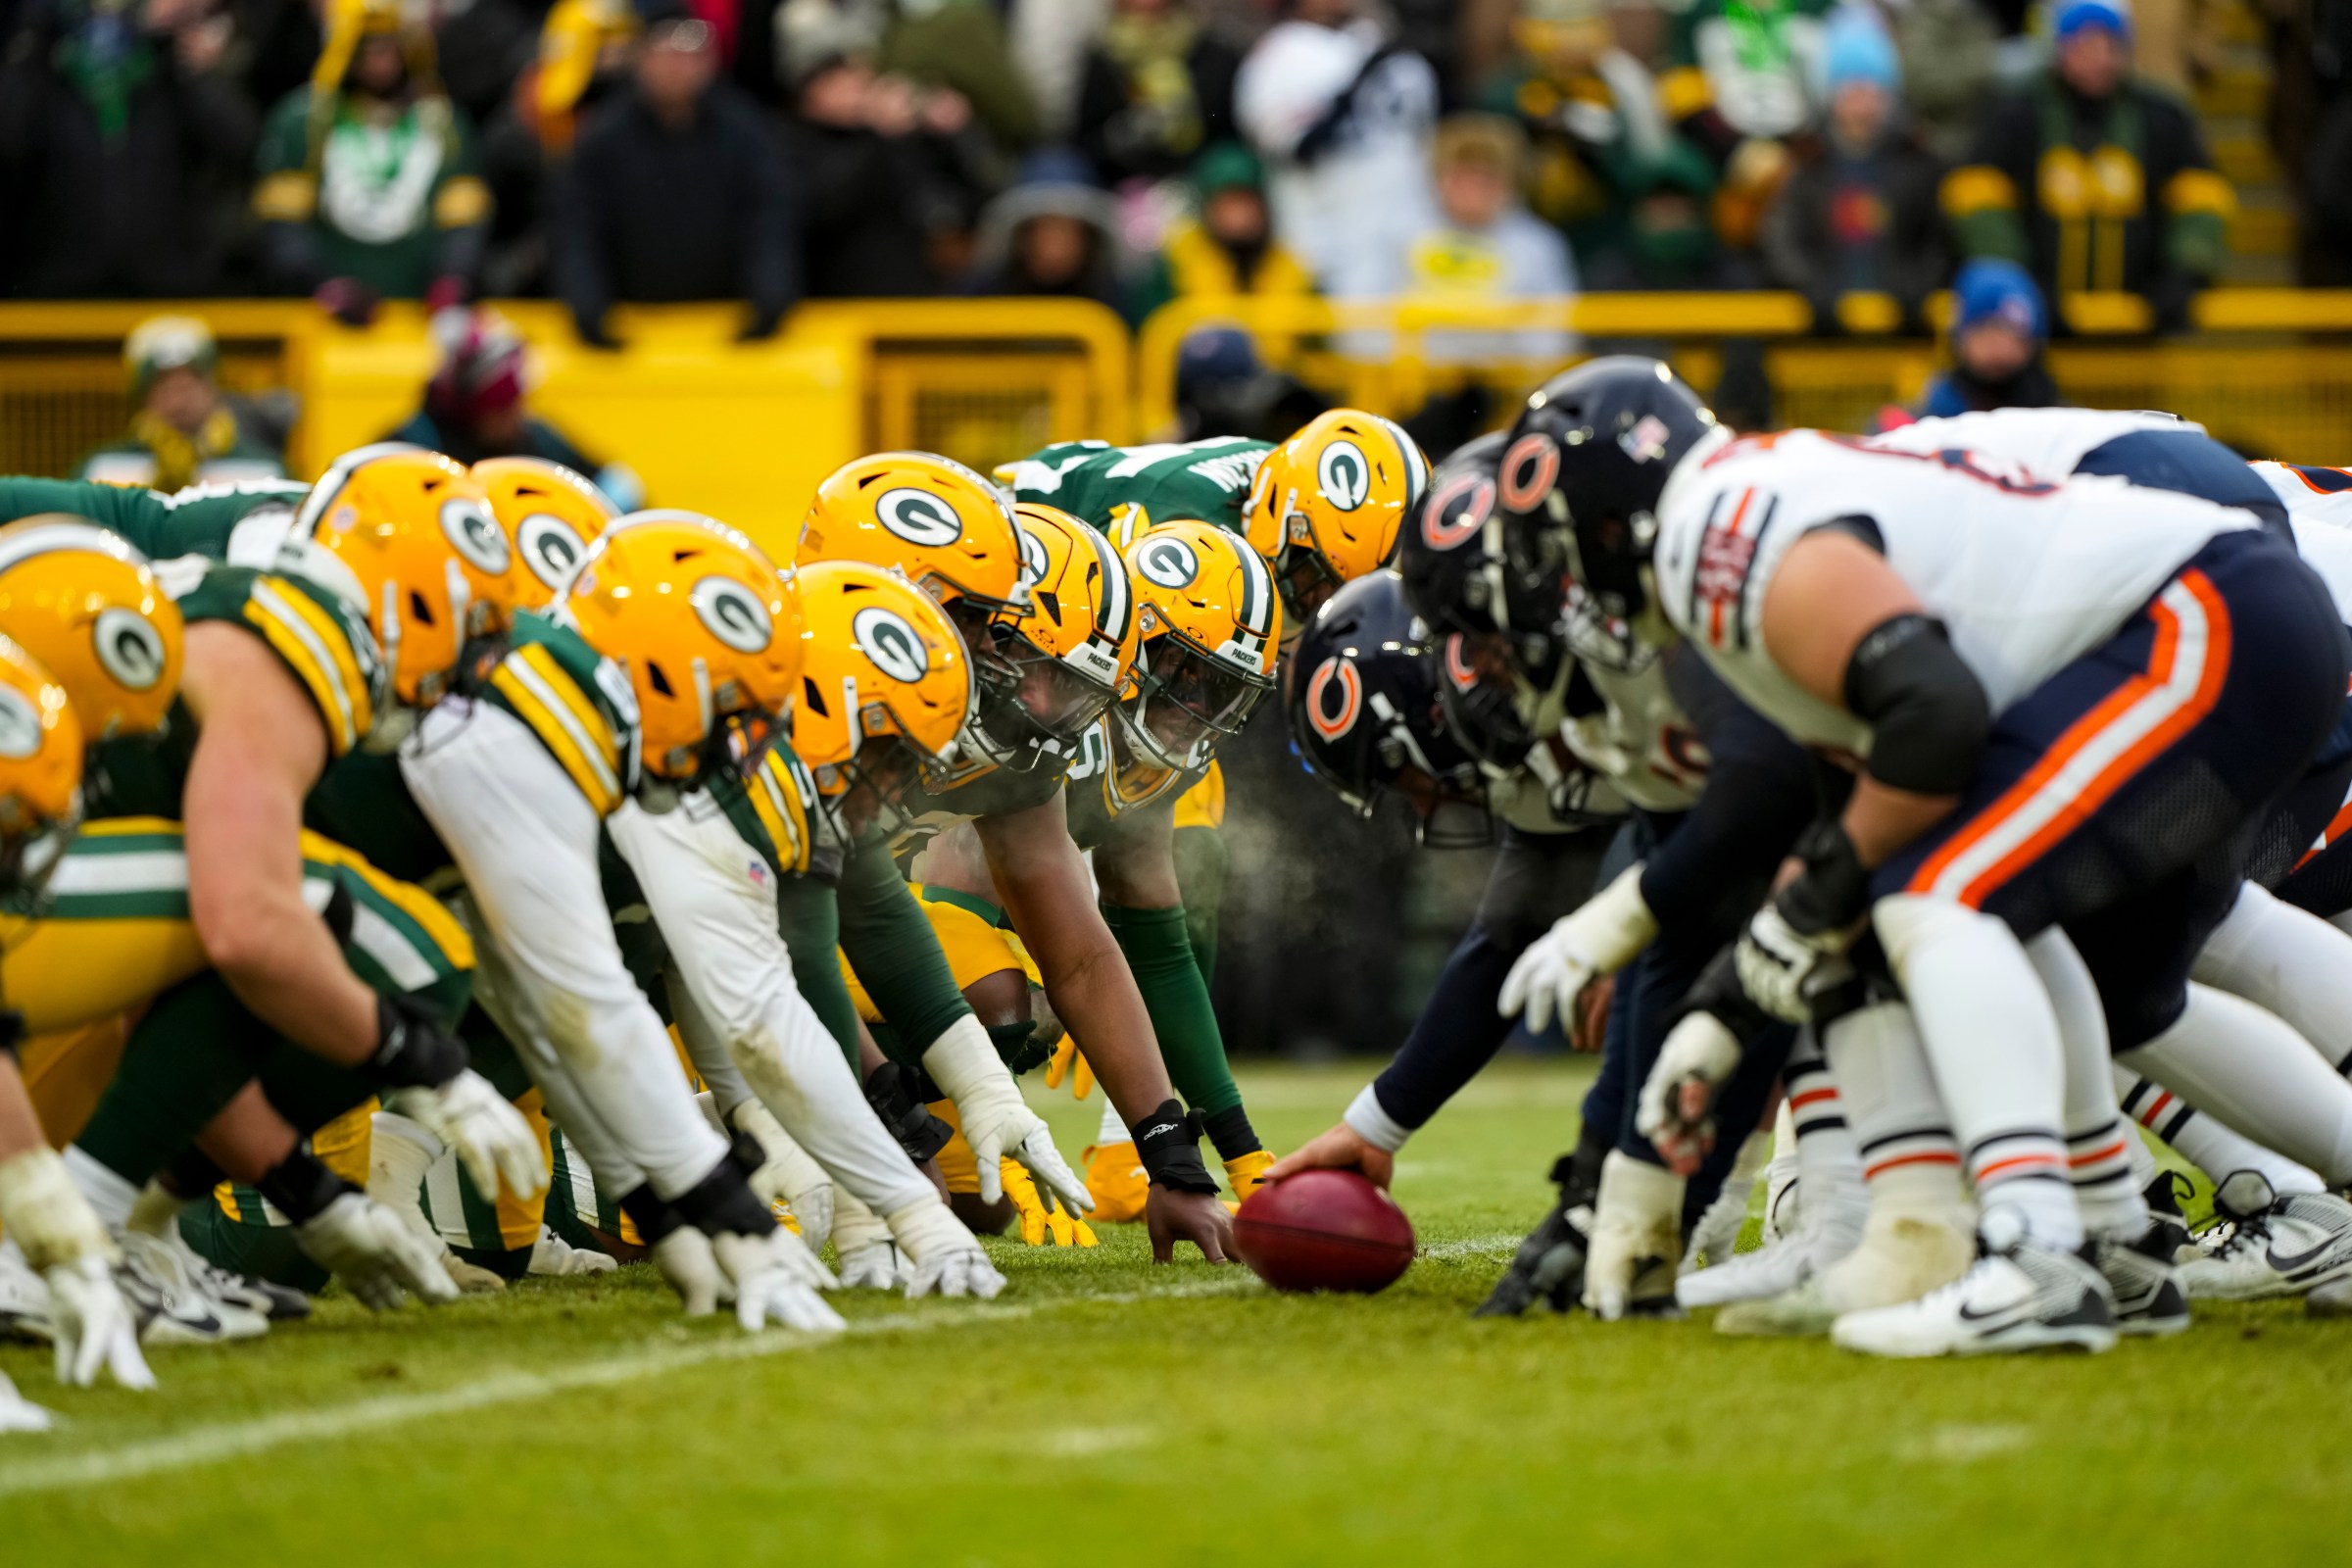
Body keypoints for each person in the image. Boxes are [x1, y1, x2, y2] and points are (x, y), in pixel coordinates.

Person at [1520, 358, 2347, 1354]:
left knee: (1940, 895)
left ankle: (2036, 1249)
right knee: (2092, 968)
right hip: (2235, 608)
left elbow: (1930, 717)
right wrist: (1724, 1017)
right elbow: (1844, 825)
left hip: (2211, 614)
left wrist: (1772, 925)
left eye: (1569, 549)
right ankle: (2106, 1238)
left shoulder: (1717, 531)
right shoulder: (1753, 515)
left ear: (1619, 516)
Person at [1942, 0, 2231, 329]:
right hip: (2036, 329)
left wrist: (2184, 272)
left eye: (2109, 46)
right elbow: (1977, 199)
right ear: (2060, 49)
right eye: (2084, 46)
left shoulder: (2161, 117)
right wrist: (2018, 276)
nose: (2098, 59)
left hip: (2140, 327)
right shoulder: (2016, 115)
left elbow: (2202, 200)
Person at [552, 14, 799, 349]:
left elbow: (769, 219)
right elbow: (578, 227)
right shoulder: (602, 138)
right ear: (641, 59)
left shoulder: (747, 133)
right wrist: (587, 307)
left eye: (690, 56)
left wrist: (771, 298)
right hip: (630, 328)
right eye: (666, 54)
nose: (677, 67)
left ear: (710, 63)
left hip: (726, 328)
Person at [0, 0, 257, 298]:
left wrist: (175, 58)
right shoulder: (46, 76)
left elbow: (241, 143)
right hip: (57, 287)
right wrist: (35, 46)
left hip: (169, 285)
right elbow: (8, 141)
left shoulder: (164, 77)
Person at [253, 0, 491, 315]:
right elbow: (283, 224)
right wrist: (318, 283)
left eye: (389, 48)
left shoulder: (442, 124)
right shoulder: (306, 123)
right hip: (323, 320)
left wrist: (453, 277)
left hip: (420, 317)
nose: (380, 63)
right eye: (366, 50)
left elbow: (464, 219)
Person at [1233, 0, 1440, 300]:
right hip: (1325, 238)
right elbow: (1293, 147)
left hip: (1406, 234)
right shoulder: (1282, 53)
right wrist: (1348, 97)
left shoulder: (1391, 45)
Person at [1759, 12, 1948, 334]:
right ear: (1833, 95)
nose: (1862, 104)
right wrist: (1811, 285)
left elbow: (1939, 238)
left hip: (1901, 328)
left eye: (1872, 91)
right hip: (1825, 327)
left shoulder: (1917, 159)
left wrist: (1916, 286)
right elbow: (1781, 234)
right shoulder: (1808, 158)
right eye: (1852, 90)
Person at [776, 15, 988, 299]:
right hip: (831, 311)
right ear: (808, 86)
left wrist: (951, 137)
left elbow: (964, 205)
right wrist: (880, 135)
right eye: (843, 74)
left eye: (864, 72)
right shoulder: (785, 142)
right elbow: (817, 209)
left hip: (915, 304)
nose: (860, 84)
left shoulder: (889, 139)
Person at [380, 309, 641, 508]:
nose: (518, 417)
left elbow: (613, 488)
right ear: (473, 411)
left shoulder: (535, 437)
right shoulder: (410, 445)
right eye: (504, 409)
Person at [77, 317, 285, 492]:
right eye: (165, 386)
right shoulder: (102, 468)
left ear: (214, 386)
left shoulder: (265, 468)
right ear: (144, 397)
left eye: (191, 383)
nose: (180, 398)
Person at [1130, 141, 1317, 323]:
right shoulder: (1175, 262)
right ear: (1207, 207)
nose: (1238, 215)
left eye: (1246, 201)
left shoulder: (1290, 265)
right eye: (1227, 203)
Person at [1074, 0, 1241, 186]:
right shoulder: (1103, 60)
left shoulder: (1208, 52)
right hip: (1126, 185)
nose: (1148, 4)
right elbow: (1085, 143)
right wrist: (1121, 136)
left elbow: (1228, 127)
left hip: (1200, 178)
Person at [960, 149, 1130, 312]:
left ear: (1088, 240)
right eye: (1043, 230)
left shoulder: (1111, 300)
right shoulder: (983, 295)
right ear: (1022, 237)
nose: (1053, 246)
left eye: (1066, 232)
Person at [1913, 258, 2058, 416]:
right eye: (1982, 329)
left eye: (2010, 332)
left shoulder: (2059, 420)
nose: (1997, 345)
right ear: (1960, 339)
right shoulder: (1930, 418)